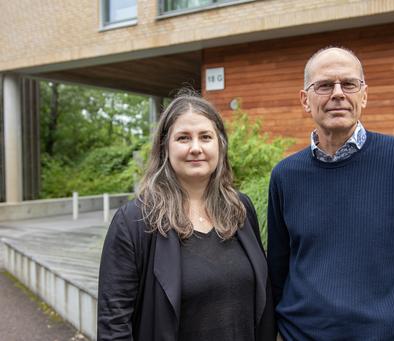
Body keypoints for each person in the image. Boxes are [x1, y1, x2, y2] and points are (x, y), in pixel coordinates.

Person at [267, 47, 394, 340]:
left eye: (348, 84)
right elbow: (278, 270)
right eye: (324, 85)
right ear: (305, 100)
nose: (337, 94)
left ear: (364, 95)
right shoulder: (285, 175)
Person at [97, 91, 275, 341]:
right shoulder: (135, 221)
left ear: (220, 145)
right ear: (164, 147)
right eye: (183, 138)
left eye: (205, 137)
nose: (195, 148)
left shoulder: (240, 209)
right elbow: (114, 323)